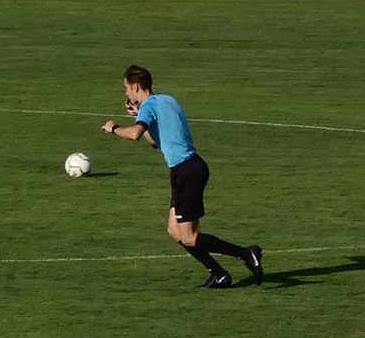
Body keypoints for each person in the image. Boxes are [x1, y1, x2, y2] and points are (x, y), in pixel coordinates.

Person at [100, 65, 263, 289]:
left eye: (126, 89)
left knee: (188, 236)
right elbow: (156, 142)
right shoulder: (167, 100)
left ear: (136, 86)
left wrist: (114, 128)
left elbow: (135, 135)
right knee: (174, 230)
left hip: (187, 171)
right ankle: (219, 275)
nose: (126, 94)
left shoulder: (149, 106)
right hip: (186, 170)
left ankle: (246, 253)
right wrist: (139, 116)